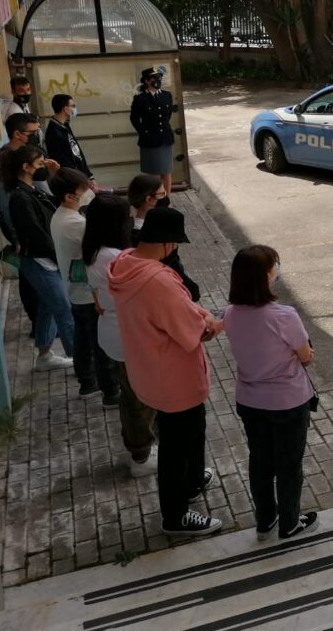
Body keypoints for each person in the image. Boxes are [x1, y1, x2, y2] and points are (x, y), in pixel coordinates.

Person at [108, 207, 224, 537]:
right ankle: (176, 516)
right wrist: (214, 323)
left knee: (191, 429)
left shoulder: (127, 262)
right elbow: (193, 331)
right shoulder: (157, 281)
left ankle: (191, 480)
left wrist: (198, 312)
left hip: (148, 368)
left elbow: (182, 306)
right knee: (175, 445)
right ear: (168, 243)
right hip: (174, 379)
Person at [224, 245, 319, 541]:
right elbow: (306, 357)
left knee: (260, 462)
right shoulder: (284, 315)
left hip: (250, 400)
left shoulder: (230, 313)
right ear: (266, 276)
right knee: (289, 465)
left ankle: (265, 519)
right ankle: (290, 523)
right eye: (274, 266)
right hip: (288, 401)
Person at [82, 194, 157, 478]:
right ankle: (141, 455)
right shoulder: (116, 258)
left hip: (113, 334)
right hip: (129, 338)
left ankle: (139, 448)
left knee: (131, 395)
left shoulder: (94, 250)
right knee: (141, 399)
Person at [2, 145, 75, 371]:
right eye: (41, 163)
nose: (44, 166)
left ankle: (44, 355)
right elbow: (36, 233)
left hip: (45, 259)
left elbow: (57, 204)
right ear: (26, 167)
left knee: (47, 306)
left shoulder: (32, 190)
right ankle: (84, 363)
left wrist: (54, 176)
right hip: (40, 260)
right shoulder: (20, 197)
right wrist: (59, 256)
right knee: (64, 309)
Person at [49, 168, 119, 404]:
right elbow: (98, 248)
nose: (90, 193)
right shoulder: (75, 224)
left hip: (75, 290)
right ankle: (110, 392)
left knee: (82, 338)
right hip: (89, 294)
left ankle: (87, 382)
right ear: (70, 196)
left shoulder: (60, 216)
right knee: (101, 346)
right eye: (84, 191)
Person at [0, 113, 57, 333]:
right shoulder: (7, 161)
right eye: (33, 132)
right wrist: (16, 237)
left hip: (38, 221)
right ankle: (36, 323)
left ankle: (45, 325)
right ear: (18, 134)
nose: (37, 135)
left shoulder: (27, 155)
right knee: (31, 278)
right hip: (23, 229)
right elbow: (6, 202)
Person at [127, 173, 200, 300]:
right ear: (149, 200)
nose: (165, 197)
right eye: (162, 194)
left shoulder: (130, 219)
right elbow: (171, 265)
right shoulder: (153, 233)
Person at [130, 66, 176, 197]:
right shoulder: (140, 99)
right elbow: (134, 118)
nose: (156, 80)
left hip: (165, 139)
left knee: (166, 172)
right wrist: (144, 133)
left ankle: (166, 200)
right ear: (146, 81)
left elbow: (168, 115)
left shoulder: (167, 95)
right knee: (154, 175)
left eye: (158, 77)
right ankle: (155, 199)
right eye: (153, 78)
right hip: (150, 140)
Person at [44, 94, 95, 184]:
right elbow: (64, 161)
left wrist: (90, 176)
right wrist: (81, 178)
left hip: (80, 177)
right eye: (73, 106)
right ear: (65, 108)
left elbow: (77, 153)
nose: (74, 109)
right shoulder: (54, 132)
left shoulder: (64, 126)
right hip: (72, 180)